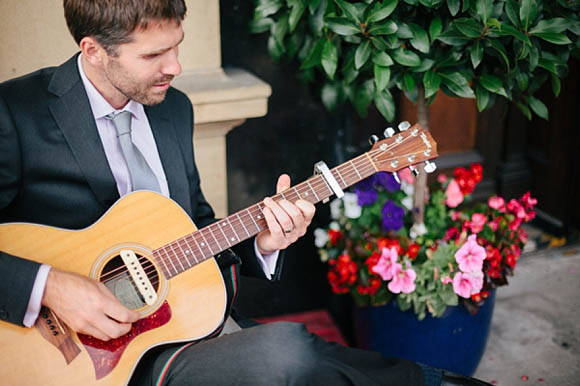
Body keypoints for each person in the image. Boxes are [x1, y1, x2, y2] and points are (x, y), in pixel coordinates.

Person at [0, 1, 492, 385]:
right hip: (81, 362)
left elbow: (193, 228)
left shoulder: (173, 110)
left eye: (178, 46)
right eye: (153, 55)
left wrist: (263, 242)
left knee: (300, 356)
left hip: (170, 332)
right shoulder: (16, 113)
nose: (174, 66)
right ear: (93, 50)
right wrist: (51, 287)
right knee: (287, 354)